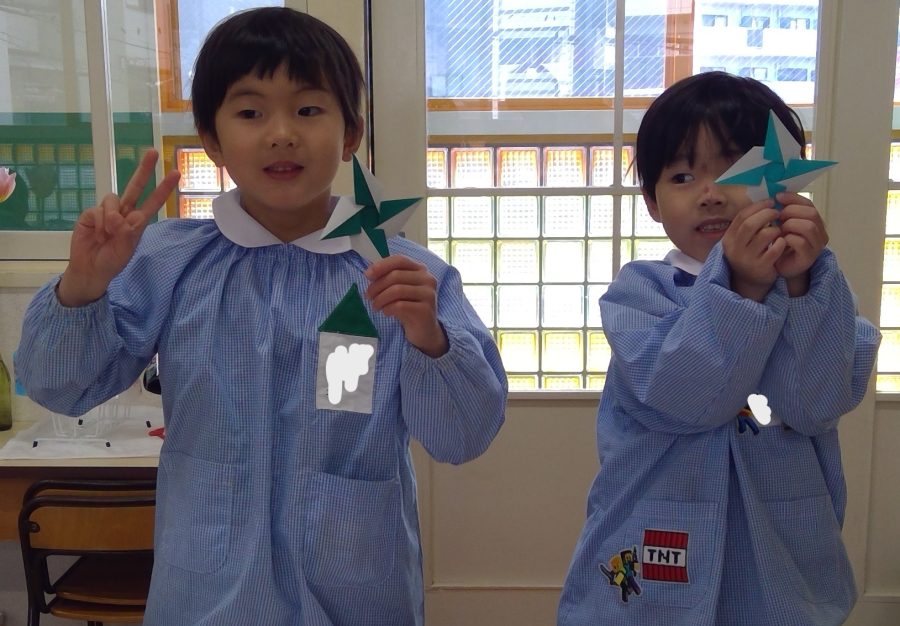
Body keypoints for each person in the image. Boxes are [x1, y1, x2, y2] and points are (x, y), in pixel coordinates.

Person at [15, 8, 507, 625]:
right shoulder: (169, 262)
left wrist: (431, 340)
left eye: (308, 109)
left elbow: (463, 438)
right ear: (212, 139)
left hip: (356, 594)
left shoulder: (404, 277)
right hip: (208, 595)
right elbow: (62, 389)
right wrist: (82, 288)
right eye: (250, 112)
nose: (281, 133)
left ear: (350, 134)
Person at [557, 71, 880, 626]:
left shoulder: (817, 289)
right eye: (682, 176)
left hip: (780, 557)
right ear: (652, 202)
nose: (710, 193)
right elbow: (684, 397)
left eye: (736, 170)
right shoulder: (640, 293)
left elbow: (815, 405)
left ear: (784, 184)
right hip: (653, 545)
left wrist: (800, 283)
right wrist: (742, 288)